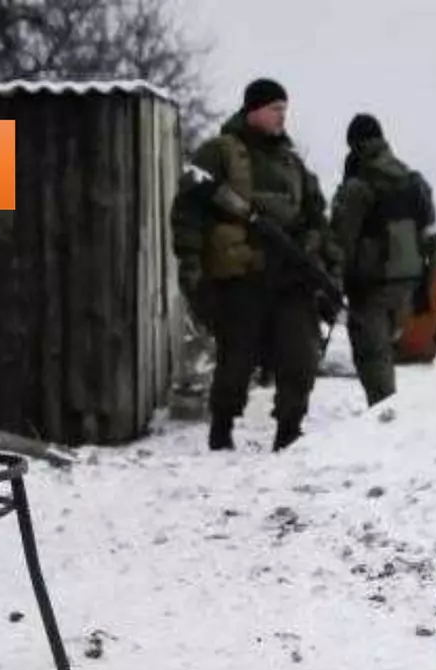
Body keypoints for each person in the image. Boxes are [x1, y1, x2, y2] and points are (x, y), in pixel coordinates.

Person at [172, 78, 340, 451]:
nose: (283, 116)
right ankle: (222, 428)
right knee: (236, 360)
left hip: (290, 279)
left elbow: (317, 215)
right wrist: (191, 266)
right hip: (240, 278)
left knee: (299, 356)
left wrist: (316, 248)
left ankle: (289, 430)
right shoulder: (220, 152)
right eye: (275, 108)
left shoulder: (292, 162)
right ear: (254, 110)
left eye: (285, 109)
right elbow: (189, 209)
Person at [330, 113, 436, 407]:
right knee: (385, 353)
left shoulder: (358, 185)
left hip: (370, 286)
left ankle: (383, 423)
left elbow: (342, 242)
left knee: (372, 357)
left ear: (353, 144)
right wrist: (425, 288)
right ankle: (386, 418)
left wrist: (334, 285)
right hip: (407, 282)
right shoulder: (413, 181)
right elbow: (431, 237)